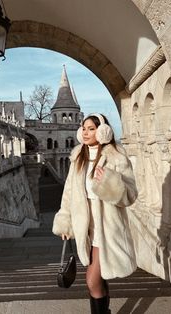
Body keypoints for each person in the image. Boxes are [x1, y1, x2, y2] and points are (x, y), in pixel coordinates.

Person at [52, 113, 138, 314]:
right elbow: (69, 193)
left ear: (103, 131)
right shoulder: (77, 157)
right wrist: (66, 223)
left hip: (105, 228)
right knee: (98, 278)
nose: (86, 132)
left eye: (91, 128)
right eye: (84, 128)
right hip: (85, 227)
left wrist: (111, 181)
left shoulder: (117, 157)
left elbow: (131, 195)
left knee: (91, 280)